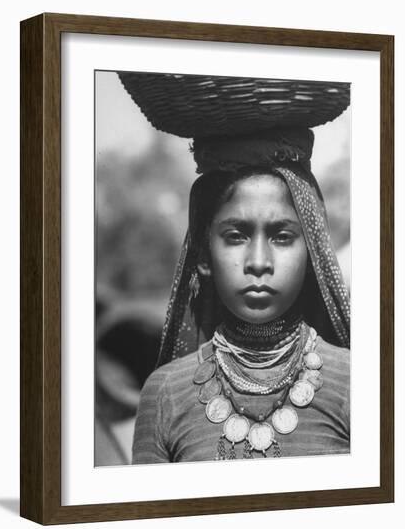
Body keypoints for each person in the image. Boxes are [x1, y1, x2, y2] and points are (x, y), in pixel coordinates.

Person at [132, 126, 350, 464]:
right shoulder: (165, 394)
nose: (259, 263)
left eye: (281, 236)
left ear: (312, 256)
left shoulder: (358, 384)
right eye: (236, 236)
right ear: (203, 256)